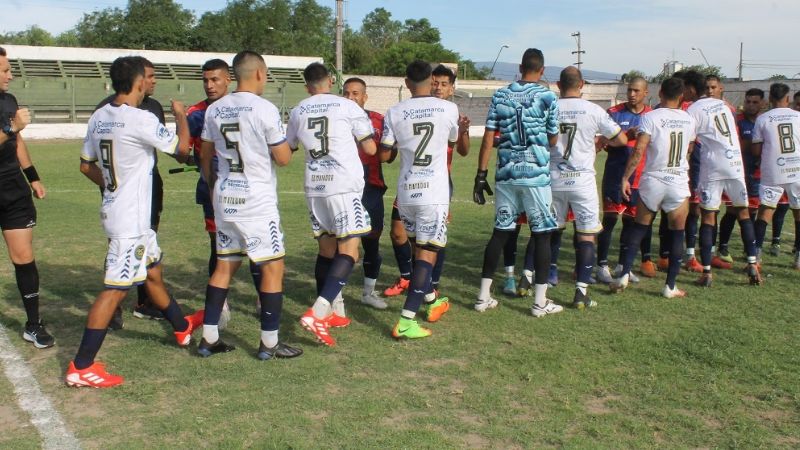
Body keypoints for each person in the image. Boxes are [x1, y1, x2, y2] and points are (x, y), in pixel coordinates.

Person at [66, 56, 203, 388]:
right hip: (129, 221)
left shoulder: (100, 116)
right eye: (148, 78)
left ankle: (181, 325)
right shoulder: (139, 118)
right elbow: (182, 150)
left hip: (122, 213)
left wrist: (112, 188)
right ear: (139, 81)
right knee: (115, 290)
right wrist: (181, 115)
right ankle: (82, 366)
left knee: (152, 272)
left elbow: (86, 165)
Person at [198, 51, 302, 360]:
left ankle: (209, 338)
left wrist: (213, 185)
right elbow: (283, 159)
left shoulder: (215, 109)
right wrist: (290, 145)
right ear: (259, 73)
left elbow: (205, 154)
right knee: (272, 267)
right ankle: (269, 343)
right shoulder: (264, 108)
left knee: (224, 266)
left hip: (225, 195)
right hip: (256, 201)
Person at [289, 63, 376, 347]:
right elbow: (370, 148)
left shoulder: (298, 110)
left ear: (307, 86)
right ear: (330, 81)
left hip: (315, 186)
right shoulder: (347, 106)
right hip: (343, 186)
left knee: (326, 250)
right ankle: (318, 312)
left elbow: (289, 147)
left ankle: (330, 313)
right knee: (350, 251)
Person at [473, 48, 562, 317]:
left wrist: (481, 174)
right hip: (535, 176)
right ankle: (539, 302)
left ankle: (482, 297)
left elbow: (489, 136)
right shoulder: (548, 96)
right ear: (542, 70)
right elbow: (554, 138)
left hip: (506, 174)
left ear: (520, 68)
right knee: (542, 235)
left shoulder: (501, 94)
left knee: (500, 232)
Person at [381, 60, 459, 338]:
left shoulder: (394, 112)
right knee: (427, 255)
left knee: (418, 251)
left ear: (406, 83)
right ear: (431, 80)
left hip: (406, 192)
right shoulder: (448, 108)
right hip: (433, 193)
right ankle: (406, 321)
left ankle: (432, 300)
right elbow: (453, 141)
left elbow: (385, 155)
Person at [186, 58, 260, 329]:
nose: (209, 85)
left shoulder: (244, 106)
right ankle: (222, 304)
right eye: (205, 80)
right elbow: (181, 149)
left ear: (228, 79)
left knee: (255, 244)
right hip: (213, 191)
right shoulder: (197, 113)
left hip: (248, 190)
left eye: (215, 79)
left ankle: (263, 297)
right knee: (218, 246)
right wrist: (197, 162)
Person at [610, 77, 697, 298]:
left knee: (639, 228)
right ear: (682, 96)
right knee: (677, 233)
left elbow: (639, 150)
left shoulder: (650, 117)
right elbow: (689, 149)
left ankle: (624, 275)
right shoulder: (689, 119)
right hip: (677, 181)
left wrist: (625, 178)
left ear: (660, 94)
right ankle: (670, 286)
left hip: (653, 180)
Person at [96, 56, 166, 326]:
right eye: (149, 76)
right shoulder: (107, 109)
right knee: (118, 247)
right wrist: (111, 184)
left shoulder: (154, 107)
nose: (153, 81)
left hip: (148, 185)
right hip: (121, 194)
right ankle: (113, 307)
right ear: (137, 80)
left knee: (148, 242)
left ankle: (145, 302)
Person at [550, 67, 627, 308]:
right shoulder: (593, 110)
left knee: (552, 230)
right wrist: (601, 140)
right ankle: (581, 291)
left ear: (558, 85)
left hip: (554, 178)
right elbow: (621, 139)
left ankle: (547, 276)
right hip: (582, 181)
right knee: (586, 234)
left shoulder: (549, 108)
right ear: (582, 84)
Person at [0, 46, 54, 349]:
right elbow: (12, 131)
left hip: (12, 190)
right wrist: (11, 127)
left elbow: (17, 141)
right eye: (5, 70)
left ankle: (33, 324)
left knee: (23, 257)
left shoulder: (9, 100)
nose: (10, 75)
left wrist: (32, 176)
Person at [687, 78, 761, 287]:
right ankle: (752, 263)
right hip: (735, 164)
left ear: (692, 90)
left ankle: (707, 272)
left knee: (708, 216)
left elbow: (690, 143)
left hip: (713, 166)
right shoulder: (726, 106)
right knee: (743, 213)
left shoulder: (694, 108)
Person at [596, 76, 654, 284]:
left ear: (646, 93)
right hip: (615, 175)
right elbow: (603, 142)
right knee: (610, 220)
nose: (632, 94)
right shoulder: (614, 113)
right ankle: (601, 265)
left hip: (639, 178)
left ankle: (623, 266)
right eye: (629, 90)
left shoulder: (652, 116)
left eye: (636, 91)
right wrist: (626, 136)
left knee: (631, 222)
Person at [342, 77, 388, 310]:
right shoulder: (336, 118)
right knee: (342, 243)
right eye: (346, 93)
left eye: (355, 93)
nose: (350, 98)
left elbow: (388, 155)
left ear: (364, 97)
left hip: (371, 187)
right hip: (344, 188)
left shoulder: (378, 120)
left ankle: (368, 292)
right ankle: (335, 297)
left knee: (372, 241)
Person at [751, 83, 800, 270]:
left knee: (765, 211)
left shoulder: (763, 119)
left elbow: (756, 150)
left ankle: (756, 256)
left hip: (773, 170)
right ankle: (798, 257)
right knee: (798, 212)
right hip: (796, 169)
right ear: (788, 98)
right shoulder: (798, 116)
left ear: (770, 98)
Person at [715, 88, 763, 266]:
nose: (750, 105)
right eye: (748, 101)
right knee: (733, 210)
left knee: (752, 211)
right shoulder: (737, 120)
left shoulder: (763, 121)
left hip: (756, 173)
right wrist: (756, 142)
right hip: (737, 172)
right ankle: (723, 247)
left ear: (762, 103)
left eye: (755, 102)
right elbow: (736, 145)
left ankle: (748, 248)